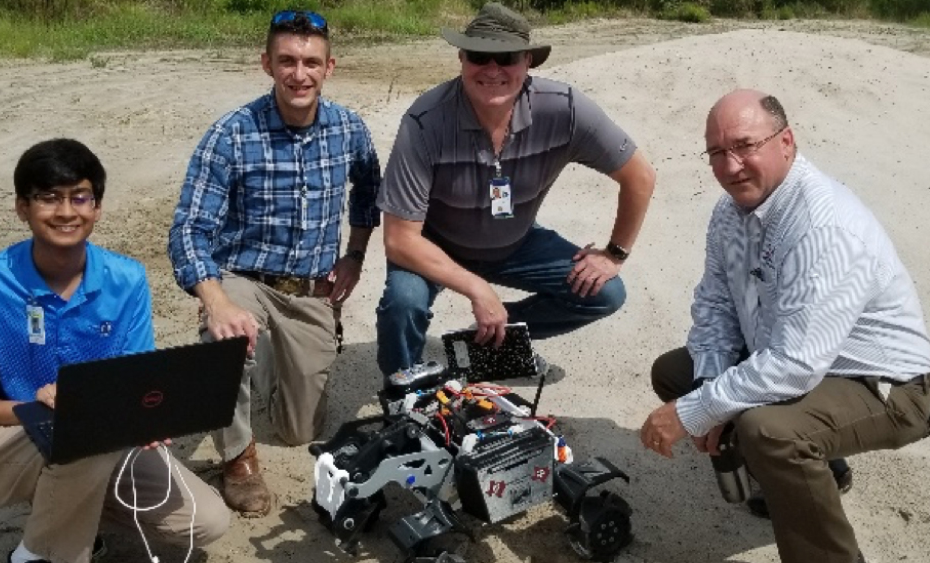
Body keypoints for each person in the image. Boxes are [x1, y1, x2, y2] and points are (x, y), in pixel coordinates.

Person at [639, 89, 930, 563]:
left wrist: (694, 412)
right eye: (717, 152)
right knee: (679, 372)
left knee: (769, 431)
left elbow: (795, 364)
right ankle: (806, 475)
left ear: (787, 141)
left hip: (892, 386)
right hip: (813, 364)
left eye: (745, 145)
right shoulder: (730, 211)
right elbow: (715, 306)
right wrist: (708, 391)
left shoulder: (820, 224)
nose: (731, 166)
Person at [0, 138, 230, 563]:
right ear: (22, 207)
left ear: (97, 207)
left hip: (95, 437)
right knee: (83, 432)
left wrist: (151, 417)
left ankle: (70, 519)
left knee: (206, 521)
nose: (66, 211)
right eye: (48, 198)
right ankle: (39, 554)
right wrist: (29, 409)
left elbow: (136, 380)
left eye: (80, 197)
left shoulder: (126, 279)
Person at [167, 10, 381, 515]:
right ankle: (238, 458)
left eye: (310, 62)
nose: (298, 73)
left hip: (310, 291)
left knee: (300, 429)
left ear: (330, 68)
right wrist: (215, 301)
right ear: (267, 64)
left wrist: (354, 255)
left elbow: (370, 192)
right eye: (286, 60)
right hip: (245, 277)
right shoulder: (232, 133)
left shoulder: (349, 129)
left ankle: (265, 361)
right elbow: (188, 230)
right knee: (225, 338)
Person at [374, 2, 656, 378]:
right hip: (435, 242)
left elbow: (640, 176)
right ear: (461, 58)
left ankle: (488, 344)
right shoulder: (426, 121)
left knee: (605, 292)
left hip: (516, 241)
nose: (493, 70)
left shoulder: (565, 110)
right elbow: (399, 240)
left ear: (527, 62)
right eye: (479, 56)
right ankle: (402, 389)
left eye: (506, 58)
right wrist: (478, 289)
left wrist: (614, 254)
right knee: (402, 303)